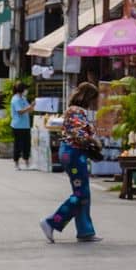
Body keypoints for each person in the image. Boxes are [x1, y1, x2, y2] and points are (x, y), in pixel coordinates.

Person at [40, 83, 102, 244]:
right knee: (81, 194)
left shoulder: (73, 110)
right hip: (74, 154)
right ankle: (52, 221)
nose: (96, 102)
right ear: (89, 97)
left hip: (71, 153)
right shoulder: (76, 111)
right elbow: (79, 134)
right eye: (95, 98)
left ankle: (85, 231)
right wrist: (93, 141)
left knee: (83, 194)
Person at [10, 82, 34, 169]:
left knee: (27, 144)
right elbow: (20, 111)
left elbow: (29, 110)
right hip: (17, 126)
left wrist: (32, 106)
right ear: (22, 90)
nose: (26, 90)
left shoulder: (23, 98)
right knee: (18, 145)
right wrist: (29, 107)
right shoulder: (15, 99)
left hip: (26, 125)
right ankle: (16, 163)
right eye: (25, 89)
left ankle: (27, 162)